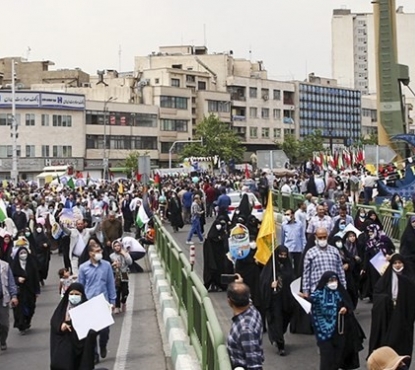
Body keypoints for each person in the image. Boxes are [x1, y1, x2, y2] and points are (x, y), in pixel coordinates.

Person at [305, 271, 364, 370]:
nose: (333, 283)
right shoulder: (318, 294)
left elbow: (348, 304)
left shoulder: (340, 292)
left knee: (337, 357)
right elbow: (309, 302)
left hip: (340, 331)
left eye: (335, 280)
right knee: (326, 358)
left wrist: (345, 308)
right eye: (330, 280)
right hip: (324, 333)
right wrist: (303, 297)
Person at [368, 254, 415, 366]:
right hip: (388, 314)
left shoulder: (409, 279)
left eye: (400, 263)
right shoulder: (386, 278)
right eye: (395, 263)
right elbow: (378, 293)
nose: (398, 265)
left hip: (403, 315)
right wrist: (386, 300)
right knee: (388, 341)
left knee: (402, 341)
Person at [78, 241, 116, 363]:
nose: (99, 253)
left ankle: (103, 345)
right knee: (92, 332)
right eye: (96, 251)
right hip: (89, 302)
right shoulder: (83, 268)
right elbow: (80, 286)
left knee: (105, 330)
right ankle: (94, 355)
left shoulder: (106, 266)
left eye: (100, 251)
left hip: (103, 302)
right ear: (90, 253)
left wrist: (113, 300)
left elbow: (110, 283)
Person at [50, 282, 97, 370]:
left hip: (83, 345)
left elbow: (95, 327)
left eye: (77, 294)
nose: (74, 296)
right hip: (66, 345)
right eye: (71, 294)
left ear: (82, 295)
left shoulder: (87, 309)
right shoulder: (63, 308)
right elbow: (54, 322)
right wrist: (61, 326)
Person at [259, 246, 295, 356]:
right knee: (277, 321)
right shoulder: (271, 268)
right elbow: (263, 281)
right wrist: (270, 284)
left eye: (285, 255)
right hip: (275, 300)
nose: (283, 257)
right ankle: (281, 345)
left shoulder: (288, 267)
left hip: (286, 300)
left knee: (285, 319)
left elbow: (292, 280)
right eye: (280, 255)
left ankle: (278, 335)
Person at [226, 282, 264, 370]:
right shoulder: (252, 310)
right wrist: (241, 283)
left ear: (229, 301)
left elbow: (255, 365)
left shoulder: (245, 329)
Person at [302, 228, 346, 297]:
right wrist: (305, 291)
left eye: (324, 237)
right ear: (316, 237)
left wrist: (343, 288)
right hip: (316, 291)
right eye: (320, 237)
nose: (322, 239)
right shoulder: (310, 253)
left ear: (327, 236)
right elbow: (306, 274)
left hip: (334, 289)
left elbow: (340, 271)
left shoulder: (334, 251)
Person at [11, 246, 41, 334]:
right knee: (19, 309)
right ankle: (21, 325)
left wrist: (37, 291)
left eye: (25, 253)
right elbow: (11, 277)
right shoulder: (14, 265)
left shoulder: (31, 264)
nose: (23, 255)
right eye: (21, 253)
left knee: (31, 307)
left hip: (30, 290)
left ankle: (27, 321)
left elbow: (36, 277)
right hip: (19, 291)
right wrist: (18, 279)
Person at [203, 216, 229, 292]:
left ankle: (219, 285)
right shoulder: (210, 238)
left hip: (220, 257)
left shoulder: (222, 233)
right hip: (212, 257)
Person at [281, 208, 306, 277]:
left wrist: (304, 247)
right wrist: (282, 248)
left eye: (288, 214)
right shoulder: (284, 225)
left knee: (298, 266)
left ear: (293, 215)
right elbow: (282, 237)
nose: (287, 216)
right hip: (288, 248)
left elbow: (302, 236)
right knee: (288, 265)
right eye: (285, 214)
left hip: (298, 248)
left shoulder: (299, 224)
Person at [0, 258, 18, 350]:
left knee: (4, 324)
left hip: (2, 299)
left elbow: (11, 282)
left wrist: (14, 296)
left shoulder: (5, 266)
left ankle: (2, 340)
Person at [110, 240, 132, 314]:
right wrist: (113, 264)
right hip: (116, 275)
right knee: (117, 290)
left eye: (118, 246)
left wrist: (124, 254)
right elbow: (109, 266)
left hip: (124, 273)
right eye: (115, 246)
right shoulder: (111, 256)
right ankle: (117, 306)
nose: (117, 247)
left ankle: (123, 302)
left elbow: (130, 262)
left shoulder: (125, 253)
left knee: (125, 291)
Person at [33, 222, 51, 286]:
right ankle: (38, 280)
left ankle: (42, 278)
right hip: (36, 254)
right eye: (37, 227)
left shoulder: (44, 235)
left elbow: (48, 242)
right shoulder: (34, 236)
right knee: (37, 268)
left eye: (40, 227)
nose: (39, 229)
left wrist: (47, 244)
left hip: (43, 254)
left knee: (43, 267)